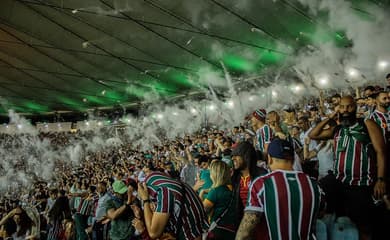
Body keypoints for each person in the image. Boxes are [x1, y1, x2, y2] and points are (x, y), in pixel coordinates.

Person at [309, 96, 387, 240]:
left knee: (364, 225)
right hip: (339, 179)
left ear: (355, 107)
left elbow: (381, 151)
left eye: (349, 106)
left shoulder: (366, 123)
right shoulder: (338, 129)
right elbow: (313, 134)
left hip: (360, 183)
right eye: (342, 107)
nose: (345, 110)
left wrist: (381, 179)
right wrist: (331, 116)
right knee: (318, 197)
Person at [235, 138, 322, 240]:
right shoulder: (314, 185)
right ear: (293, 159)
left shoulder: (262, 184)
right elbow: (320, 213)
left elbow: (245, 232)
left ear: (270, 158)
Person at [137, 171, 208, 240]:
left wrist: (145, 200)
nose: (152, 205)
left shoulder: (164, 192)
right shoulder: (177, 185)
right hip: (192, 232)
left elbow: (153, 233)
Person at [231, 141, 267, 240]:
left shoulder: (262, 175)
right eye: (232, 155)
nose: (233, 158)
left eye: (237, 155)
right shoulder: (235, 178)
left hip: (262, 228)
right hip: (243, 227)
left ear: (246, 156)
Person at [202, 161, 238, 240]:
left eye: (211, 172)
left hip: (218, 230)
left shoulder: (215, 191)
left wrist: (201, 194)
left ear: (215, 175)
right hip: (232, 230)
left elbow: (203, 210)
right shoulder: (233, 189)